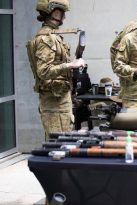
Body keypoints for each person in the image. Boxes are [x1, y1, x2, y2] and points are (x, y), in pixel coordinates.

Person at [27, 0, 86, 139]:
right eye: (62, 13)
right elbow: (44, 71)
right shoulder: (46, 39)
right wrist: (71, 65)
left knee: (61, 142)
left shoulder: (52, 36)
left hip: (59, 99)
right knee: (58, 145)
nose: (64, 17)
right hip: (54, 102)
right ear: (55, 12)